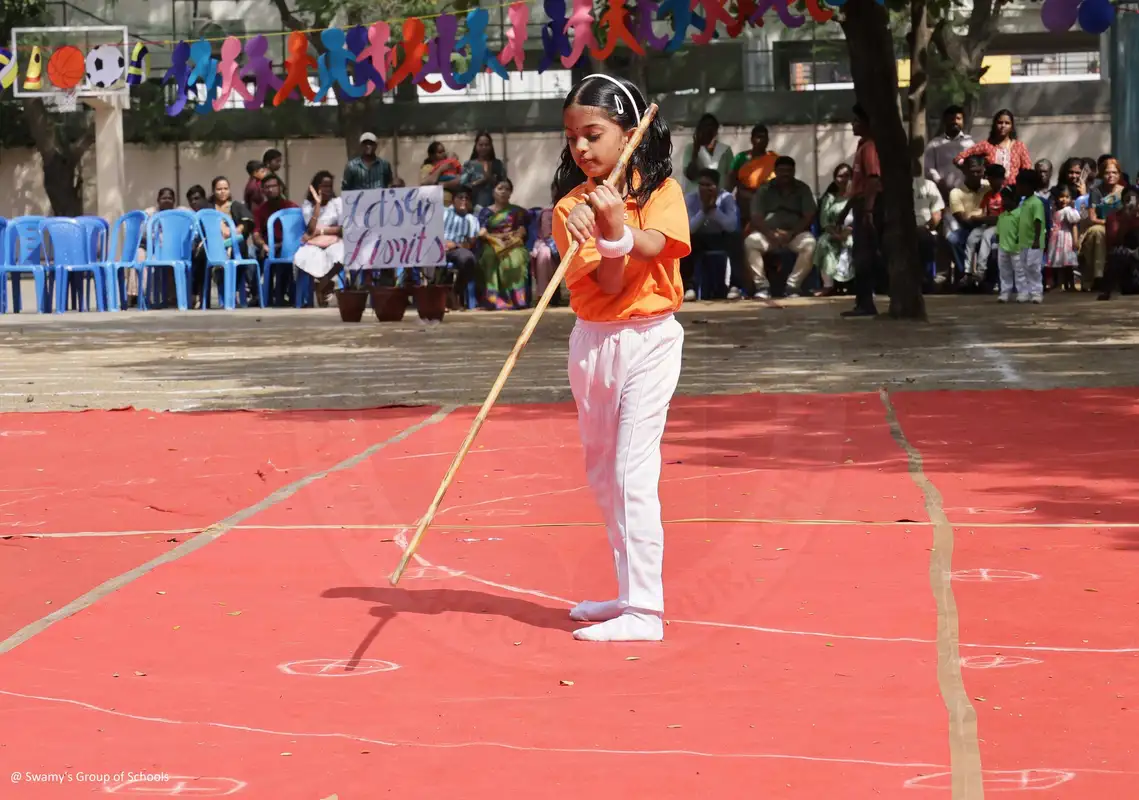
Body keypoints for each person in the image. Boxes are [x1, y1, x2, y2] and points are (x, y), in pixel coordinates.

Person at [551, 73, 689, 642]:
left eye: (594, 134)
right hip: (593, 341)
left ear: (629, 134)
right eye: (572, 138)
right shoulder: (570, 207)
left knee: (634, 470)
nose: (581, 148)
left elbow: (657, 244)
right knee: (604, 473)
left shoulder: (661, 191)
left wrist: (619, 228)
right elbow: (607, 285)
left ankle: (646, 613)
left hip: (651, 339)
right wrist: (604, 234)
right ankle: (629, 591)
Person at [745, 155, 817, 298]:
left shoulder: (802, 189)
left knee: (810, 243)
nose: (785, 174)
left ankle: (793, 286)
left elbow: (808, 215)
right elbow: (756, 217)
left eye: (789, 171)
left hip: (794, 235)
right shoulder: (764, 189)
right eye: (782, 170)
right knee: (750, 243)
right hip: (769, 234)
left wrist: (791, 233)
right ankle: (762, 287)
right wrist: (771, 234)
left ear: (794, 171)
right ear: (775, 171)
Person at [681, 168, 746, 301]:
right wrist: (704, 210)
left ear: (717, 186)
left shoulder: (726, 198)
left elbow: (731, 226)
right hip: (699, 238)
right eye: (701, 184)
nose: (704, 189)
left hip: (721, 237)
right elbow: (689, 229)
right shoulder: (690, 199)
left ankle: (735, 286)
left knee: (736, 239)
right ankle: (689, 287)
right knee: (685, 241)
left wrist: (714, 209)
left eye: (708, 185)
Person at [843, 104, 881, 317]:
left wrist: (868, 210)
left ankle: (866, 302)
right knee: (859, 253)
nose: (852, 124)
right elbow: (857, 186)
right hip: (858, 204)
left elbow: (873, 180)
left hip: (868, 205)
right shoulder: (861, 145)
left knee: (865, 254)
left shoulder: (870, 148)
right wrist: (845, 210)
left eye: (856, 121)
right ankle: (861, 301)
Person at [476, 178, 530, 309]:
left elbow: (522, 230)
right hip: (492, 243)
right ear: (493, 192)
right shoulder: (486, 212)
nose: (503, 192)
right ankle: (493, 299)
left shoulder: (517, 211)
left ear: (511, 193)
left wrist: (513, 237)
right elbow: (482, 233)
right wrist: (496, 238)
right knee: (489, 257)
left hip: (513, 244)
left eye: (507, 189)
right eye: (500, 188)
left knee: (516, 258)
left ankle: (518, 299)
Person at [296, 170, 346, 303]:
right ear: (316, 187)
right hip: (314, 243)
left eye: (329, 186)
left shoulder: (337, 202)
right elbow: (311, 228)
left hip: (333, 241)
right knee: (304, 257)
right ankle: (325, 286)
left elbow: (342, 229)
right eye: (324, 186)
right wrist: (317, 204)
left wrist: (321, 232)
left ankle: (322, 283)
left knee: (342, 254)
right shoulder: (308, 205)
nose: (327, 189)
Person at [953, 109, 1033, 185]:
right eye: (1000, 122)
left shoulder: (1019, 146)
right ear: (994, 125)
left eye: (1007, 123)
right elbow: (958, 158)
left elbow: (1027, 170)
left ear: (1012, 126)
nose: (1003, 126)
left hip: (1013, 194)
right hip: (990, 192)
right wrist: (969, 172)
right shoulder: (986, 145)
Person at [812, 164, 854, 296]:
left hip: (854, 232)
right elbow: (824, 220)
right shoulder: (830, 198)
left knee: (852, 244)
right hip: (833, 231)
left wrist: (847, 232)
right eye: (840, 176)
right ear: (835, 179)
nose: (844, 179)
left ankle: (852, 284)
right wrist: (835, 233)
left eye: (847, 176)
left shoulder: (857, 197)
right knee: (824, 243)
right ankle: (828, 285)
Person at [726, 124, 778, 216]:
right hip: (746, 199)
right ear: (752, 139)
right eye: (758, 137)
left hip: (767, 198)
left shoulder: (774, 159)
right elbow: (731, 183)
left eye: (764, 138)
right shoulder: (741, 158)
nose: (762, 140)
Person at [442, 186, 481, 307]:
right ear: (453, 200)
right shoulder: (442, 212)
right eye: (460, 197)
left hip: (457, 249)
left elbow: (470, 243)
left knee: (468, 259)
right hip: (438, 246)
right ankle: (440, 296)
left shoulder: (472, 219)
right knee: (432, 259)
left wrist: (454, 245)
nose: (464, 200)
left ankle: (455, 291)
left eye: (467, 198)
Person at [1097, 188, 1139, 301]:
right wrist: (1126, 218)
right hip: (1129, 271)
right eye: (1127, 199)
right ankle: (1106, 291)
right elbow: (1114, 242)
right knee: (1117, 252)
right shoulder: (1114, 217)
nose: (1131, 202)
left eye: (1134, 199)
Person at [680, 113, 733, 194]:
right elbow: (690, 175)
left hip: (718, 198)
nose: (708, 131)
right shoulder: (691, 149)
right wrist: (695, 151)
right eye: (705, 128)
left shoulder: (725, 150)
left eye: (711, 128)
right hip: (696, 198)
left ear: (716, 130)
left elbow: (731, 177)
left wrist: (724, 196)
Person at [1016, 169, 1046, 303]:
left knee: (1033, 267)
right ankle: (1024, 292)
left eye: (1020, 185)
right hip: (1023, 241)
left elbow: (1038, 221)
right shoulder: (1023, 202)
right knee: (1022, 267)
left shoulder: (1036, 202)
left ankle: (1036, 292)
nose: (1018, 188)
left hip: (1034, 242)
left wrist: (1036, 239)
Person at [461, 132, 508, 209]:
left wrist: (493, 180)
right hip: (474, 207)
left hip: (495, 209)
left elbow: (505, 185)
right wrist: (481, 181)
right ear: (476, 146)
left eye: (486, 145)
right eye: (481, 145)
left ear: (491, 146)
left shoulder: (497, 164)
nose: (484, 147)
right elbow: (463, 186)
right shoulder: (469, 165)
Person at [1047, 184, 1080, 291]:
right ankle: (1061, 284)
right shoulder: (1055, 211)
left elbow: (1074, 224)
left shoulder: (1068, 211)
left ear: (1071, 198)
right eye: (1061, 196)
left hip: (1066, 240)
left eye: (1067, 197)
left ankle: (1071, 285)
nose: (1064, 199)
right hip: (1056, 240)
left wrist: (1075, 240)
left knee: (1068, 264)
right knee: (1059, 264)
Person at [995, 187, 1022, 303]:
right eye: (1003, 199)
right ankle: (1005, 292)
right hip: (1003, 247)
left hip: (1017, 249)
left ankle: (1023, 292)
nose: (1004, 202)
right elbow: (998, 232)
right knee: (1004, 271)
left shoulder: (1021, 214)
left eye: (1007, 199)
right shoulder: (1002, 216)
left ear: (1015, 200)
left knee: (1020, 271)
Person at [419, 141, 463, 205]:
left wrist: (441, 184)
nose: (443, 154)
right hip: (434, 204)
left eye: (443, 151)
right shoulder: (427, 168)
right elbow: (425, 184)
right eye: (440, 152)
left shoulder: (449, 166)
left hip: (450, 204)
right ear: (432, 155)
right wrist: (440, 169)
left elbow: (458, 182)